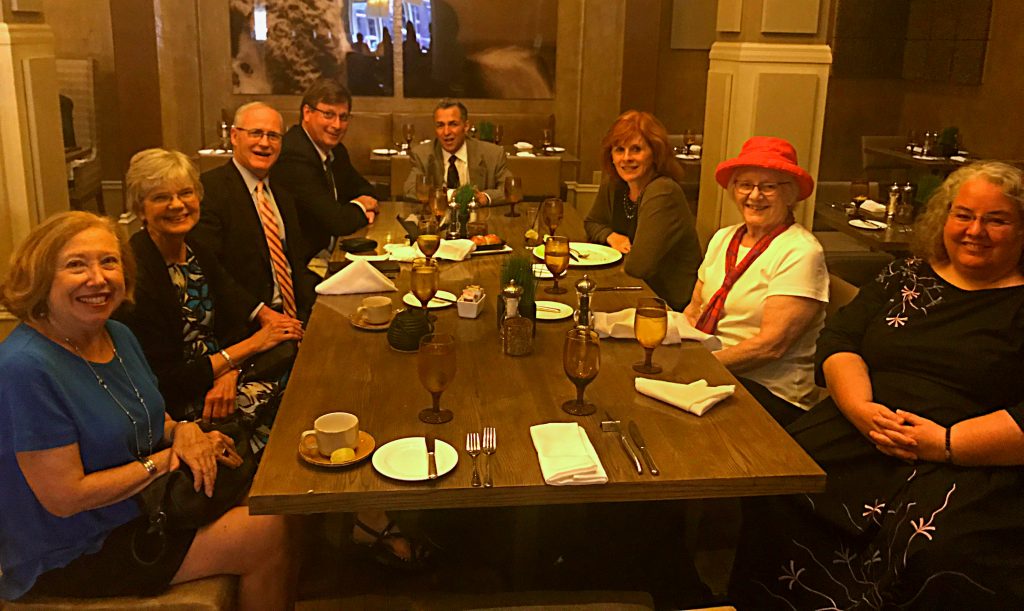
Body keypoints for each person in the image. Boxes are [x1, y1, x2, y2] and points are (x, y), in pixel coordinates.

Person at [729, 161, 1024, 609]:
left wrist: (944, 443)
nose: (975, 230)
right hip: (861, 423)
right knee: (780, 486)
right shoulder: (906, 274)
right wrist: (858, 407)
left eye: (996, 220)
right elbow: (840, 339)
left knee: (931, 548)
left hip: (972, 456)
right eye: (963, 215)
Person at [0, 211, 296, 607]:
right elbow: (65, 498)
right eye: (76, 265)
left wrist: (185, 431)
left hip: (145, 505)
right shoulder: (24, 368)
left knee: (272, 494)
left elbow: (154, 415)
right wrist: (167, 460)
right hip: (74, 548)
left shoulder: (117, 334)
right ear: (39, 277)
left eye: (109, 261)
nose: (99, 278)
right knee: (266, 532)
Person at [114, 148, 304, 453]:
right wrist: (253, 346)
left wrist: (230, 371)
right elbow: (165, 378)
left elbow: (232, 318)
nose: (177, 205)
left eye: (185, 193)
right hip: (182, 401)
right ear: (140, 209)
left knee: (303, 366)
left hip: (221, 376)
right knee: (296, 403)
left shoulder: (195, 249)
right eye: (161, 197)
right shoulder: (137, 274)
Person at [682, 136, 828, 425]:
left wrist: (698, 366)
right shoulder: (724, 237)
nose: (754, 196)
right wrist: (675, 354)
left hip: (770, 392)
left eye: (769, 187)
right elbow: (694, 310)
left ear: (792, 194)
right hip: (713, 372)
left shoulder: (801, 252)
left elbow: (769, 347)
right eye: (745, 184)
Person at [192, 102, 318, 323]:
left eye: (273, 136)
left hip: (296, 314)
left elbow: (295, 263)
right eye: (256, 133)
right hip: (246, 323)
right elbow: (211, 270)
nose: (264, 143)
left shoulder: (283, 191)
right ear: (234, 136)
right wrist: (261, 313)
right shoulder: (209, 191)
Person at [583, 110, 701, 310]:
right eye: (619, 150)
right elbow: (592, 223)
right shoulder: (615, 182)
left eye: (636, 149)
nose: (626, 158)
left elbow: (638, 266)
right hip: (633, 290)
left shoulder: (662, 192)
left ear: (655, 153)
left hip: (669, 305)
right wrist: (611, 236)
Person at [273, 79, 379, 255]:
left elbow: (364, 189)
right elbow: (338, 222)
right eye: (328, 115)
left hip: (332, 252)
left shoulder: (336, 151)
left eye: (343, 117)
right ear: (307, 113)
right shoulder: (293, 155)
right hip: (306, 264)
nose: (337, 125)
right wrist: (361, 207)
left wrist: (360, 205)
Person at [403, 98, 512, 206]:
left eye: (453, 124)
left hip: (479, 220)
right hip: (438, 219)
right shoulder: (422, 154)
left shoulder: (493, 154)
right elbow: (410, 190)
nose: (446, 132)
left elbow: (509, 189)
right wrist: (451, 195)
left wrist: (485, 197)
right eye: (440, 125)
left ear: (466, 126)